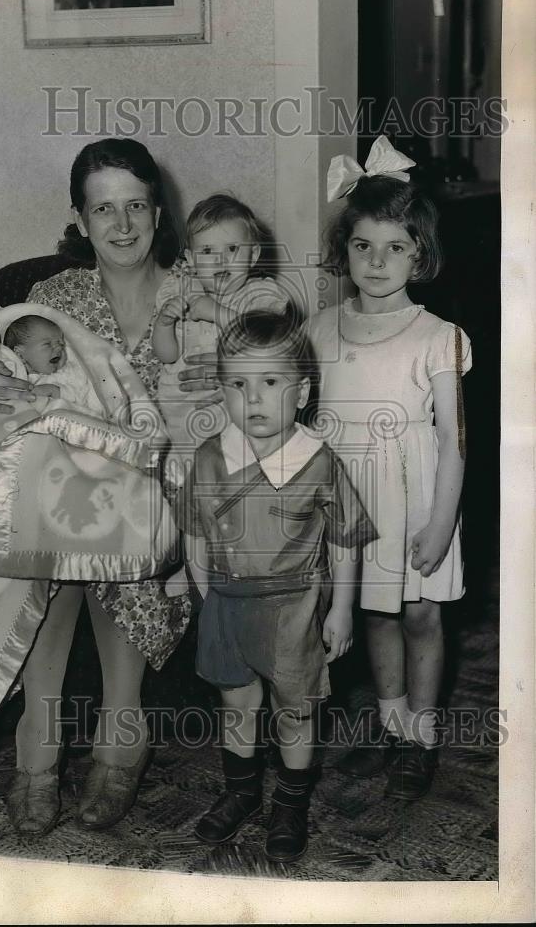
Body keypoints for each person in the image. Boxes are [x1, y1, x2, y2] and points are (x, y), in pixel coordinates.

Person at [0, 138, 204, 835]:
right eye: (104, 210)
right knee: (48, 517)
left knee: (110, 520)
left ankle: (121, 731)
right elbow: (2, 386)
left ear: (159, 211)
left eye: (135, 207)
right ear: (80, 216)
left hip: (169, 483)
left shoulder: (197, 291)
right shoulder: (50, 298)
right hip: (61, 488)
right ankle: (40, 739)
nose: (121, 225)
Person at [175, 310, 376, 862]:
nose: (254, 399)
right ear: (222, 391)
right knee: (236, 704)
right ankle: (241, 792)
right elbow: (194, 533)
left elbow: (346, 539)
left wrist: (342, 613)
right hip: (226, 603)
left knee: (296, 710)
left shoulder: (318, 461)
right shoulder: (210, 456)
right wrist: (202, 597)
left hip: (292, 605)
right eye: (238, 384)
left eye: (270, 382)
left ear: (302, 391)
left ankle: (290, 802)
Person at [305, 136, 472, 800]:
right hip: (348, 499)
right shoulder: (318, 328)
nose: (377, 261)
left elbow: (454, 441)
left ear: (420, 253)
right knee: (374, 612)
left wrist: (439, 524)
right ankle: (390, 716)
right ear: (341, 250)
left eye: (395, 246)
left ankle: (422, 731)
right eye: (362, 245)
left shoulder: (439, 336)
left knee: (421, 615)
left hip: (417, 492)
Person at [152, 193, 289, 471]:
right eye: (206, 252)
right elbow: (166, 355)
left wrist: (214, 311)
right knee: (185, 479)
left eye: (232, 249)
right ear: (189, 259)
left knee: (231, 470)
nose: (220, 261)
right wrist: (164, 325)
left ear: (253, 255)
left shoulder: (260, 295)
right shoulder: (179, 290)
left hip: (233, 414)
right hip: (179, 413)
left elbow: (260, 341)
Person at [3, 313, 102, 412]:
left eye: (61, 343)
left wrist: (58, 392)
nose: (59, 348)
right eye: (47, 344)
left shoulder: (70, 372)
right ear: (20, 355)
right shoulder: (15, 381)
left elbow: (86, 400)